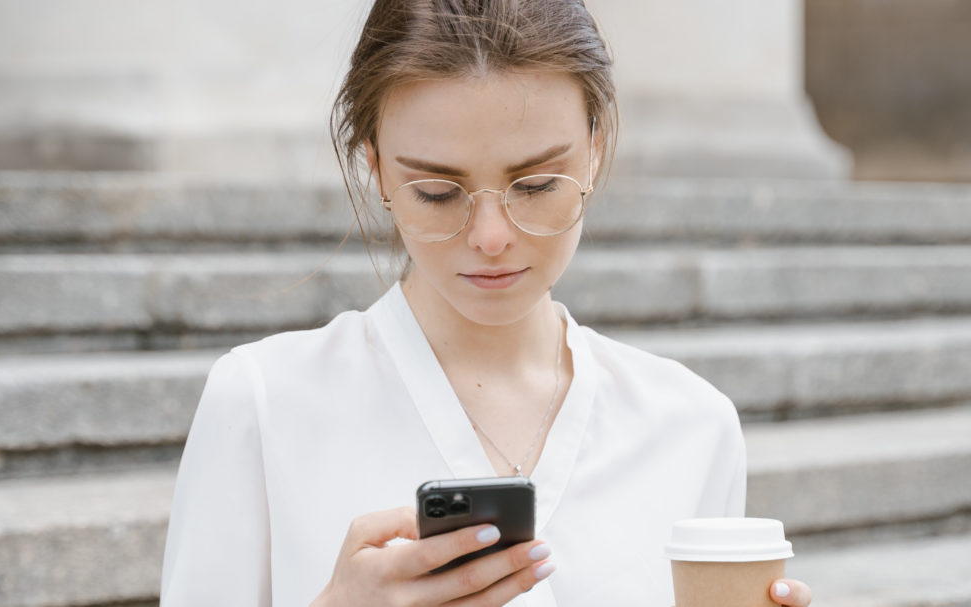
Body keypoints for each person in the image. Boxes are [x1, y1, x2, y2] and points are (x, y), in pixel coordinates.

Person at [160, 1, 814, 605]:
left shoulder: (691, 426)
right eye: (437, 192)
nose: (492, 237)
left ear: (595, 150)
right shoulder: (263, 403)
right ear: (377, 168)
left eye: (534, 184)